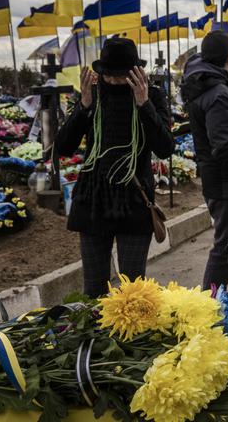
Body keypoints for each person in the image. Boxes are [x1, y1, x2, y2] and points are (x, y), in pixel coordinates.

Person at [56, 37, 174, 298]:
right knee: (94, 290)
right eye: (110, 76)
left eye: (123, 76)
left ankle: (128, 337)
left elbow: (165, 147)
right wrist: (83, 107)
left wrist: (144, 105)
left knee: (132, 291)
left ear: (136, 73)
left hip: (134, 199)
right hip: (93, 199)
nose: (117, 82)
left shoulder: (151, 95)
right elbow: (64, 146)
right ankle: (96, 339)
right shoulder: (93, 95)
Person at [180, 32, 228, 314]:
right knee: (226, 248)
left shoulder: (211, 87)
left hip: (220, 183)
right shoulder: (218, 94)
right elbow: (225, 146)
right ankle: (204, 310)